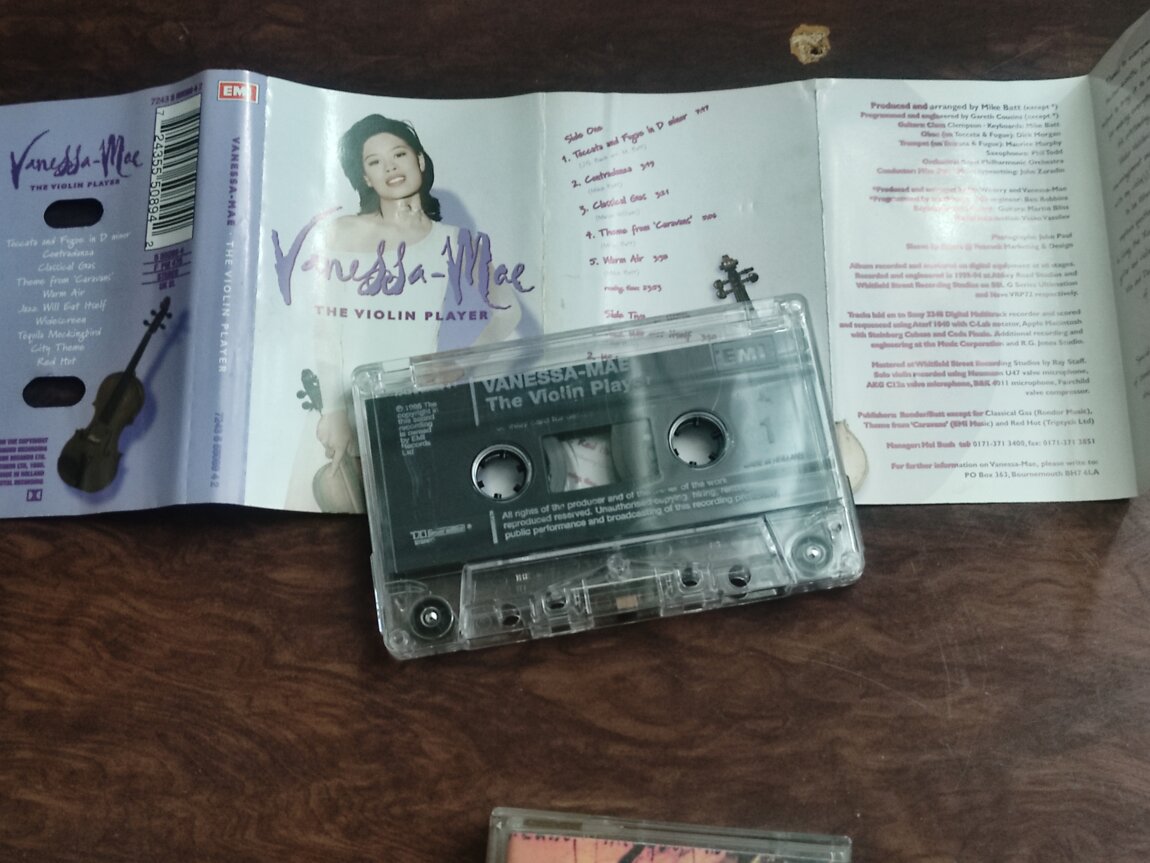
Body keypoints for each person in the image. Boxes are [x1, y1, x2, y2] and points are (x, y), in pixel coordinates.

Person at [285, 114, 523, 512]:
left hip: (408, 414)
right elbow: (326, 329)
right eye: (374, 161)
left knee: (403, 524)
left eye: (398, 154)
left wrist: (462, 360)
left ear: (420, 161)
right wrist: (334, 412)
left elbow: (508, 312)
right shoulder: (343, 232)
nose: (390, 167)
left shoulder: (458, 242)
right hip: (340, 409)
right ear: (365, 177)